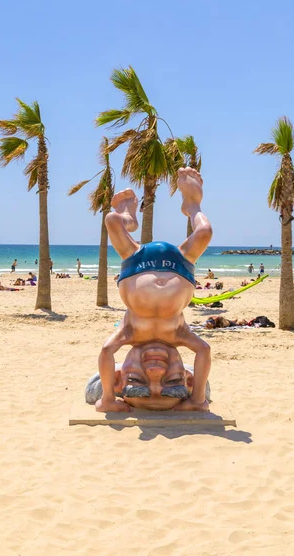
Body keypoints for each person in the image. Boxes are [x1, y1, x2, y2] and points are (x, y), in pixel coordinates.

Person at [94, 167, 212, 413]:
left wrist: (108, 400)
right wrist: (197, 400)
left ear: (120, 380)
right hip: (180, 264)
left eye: (138, 384)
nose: (155, 373)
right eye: (172, 385)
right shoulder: (178, 333)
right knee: (204, 232)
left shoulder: (131, 332)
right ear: (186, 380)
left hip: (137, 261)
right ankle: (192, 205)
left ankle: (129, 215)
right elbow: (203, 350)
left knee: (112, 220)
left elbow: (107, 351)